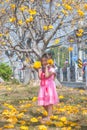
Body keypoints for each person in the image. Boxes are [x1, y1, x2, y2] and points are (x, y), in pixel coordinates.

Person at [38, 54, 59, 122]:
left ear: (49, 61)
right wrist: (39, 70)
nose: (44, 62)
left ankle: (49, 116)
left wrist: (47, 68)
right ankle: (50, 114)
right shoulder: (42, 69)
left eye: (46, 60)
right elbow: (40, 77)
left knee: (49, 103)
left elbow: (47, 76)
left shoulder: (52, 69)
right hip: (43, 87)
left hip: (49, 87)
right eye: (42, 61)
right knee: (43, 104)